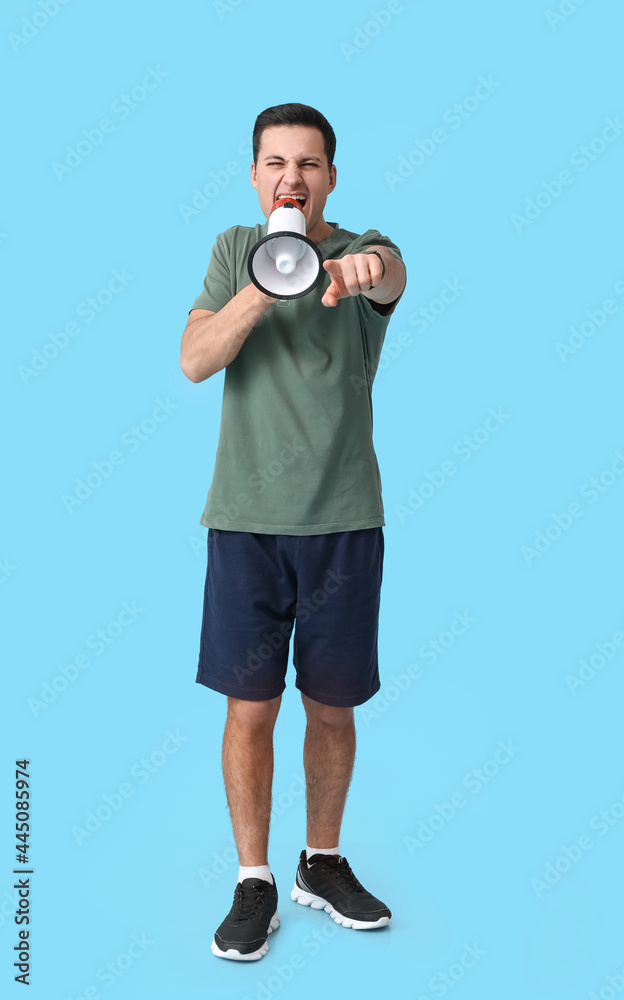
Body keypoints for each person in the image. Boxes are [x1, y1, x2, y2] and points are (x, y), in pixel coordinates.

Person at [180, 103, 407, 962]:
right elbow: (195, 359)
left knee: (333, 707)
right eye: (276, 163)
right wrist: (267, 279)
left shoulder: (362, 245)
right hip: (245, 525)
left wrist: (359, 270)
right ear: (255, 176)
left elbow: (390, 275)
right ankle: (254, 880)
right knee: (250, 710)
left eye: (308, 164)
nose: (291, 179)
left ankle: (322, 861)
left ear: (330, 178)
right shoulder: (235, 249)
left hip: (344, 521)